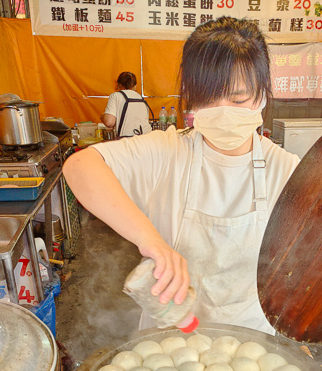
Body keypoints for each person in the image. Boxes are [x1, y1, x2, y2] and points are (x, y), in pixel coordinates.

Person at [64, 17, 299, 334]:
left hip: (252, 338)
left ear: (263, 94)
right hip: (168, 338)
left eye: (239, 98)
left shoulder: (287, 170)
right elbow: (80, 167)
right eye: (208, 99)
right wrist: (152, 243)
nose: (223, 109)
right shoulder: (167, 153)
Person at [101, 72, 152, 138]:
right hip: (146, 139)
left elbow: (109, 122)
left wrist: (103, 117)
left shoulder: (116, 96)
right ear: (135, 86)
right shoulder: (141, 99)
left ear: (118, 84)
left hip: (128, 141)